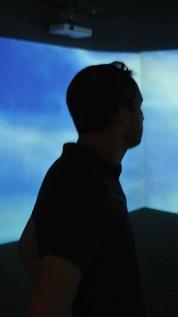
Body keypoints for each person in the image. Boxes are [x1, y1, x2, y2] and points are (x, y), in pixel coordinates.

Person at [17, 61, 146, 317]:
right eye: (139, 107)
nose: (142, 116)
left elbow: (27, 247)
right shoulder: (87, 185)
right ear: (123, 113)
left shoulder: (70, 168)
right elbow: (46, 307)